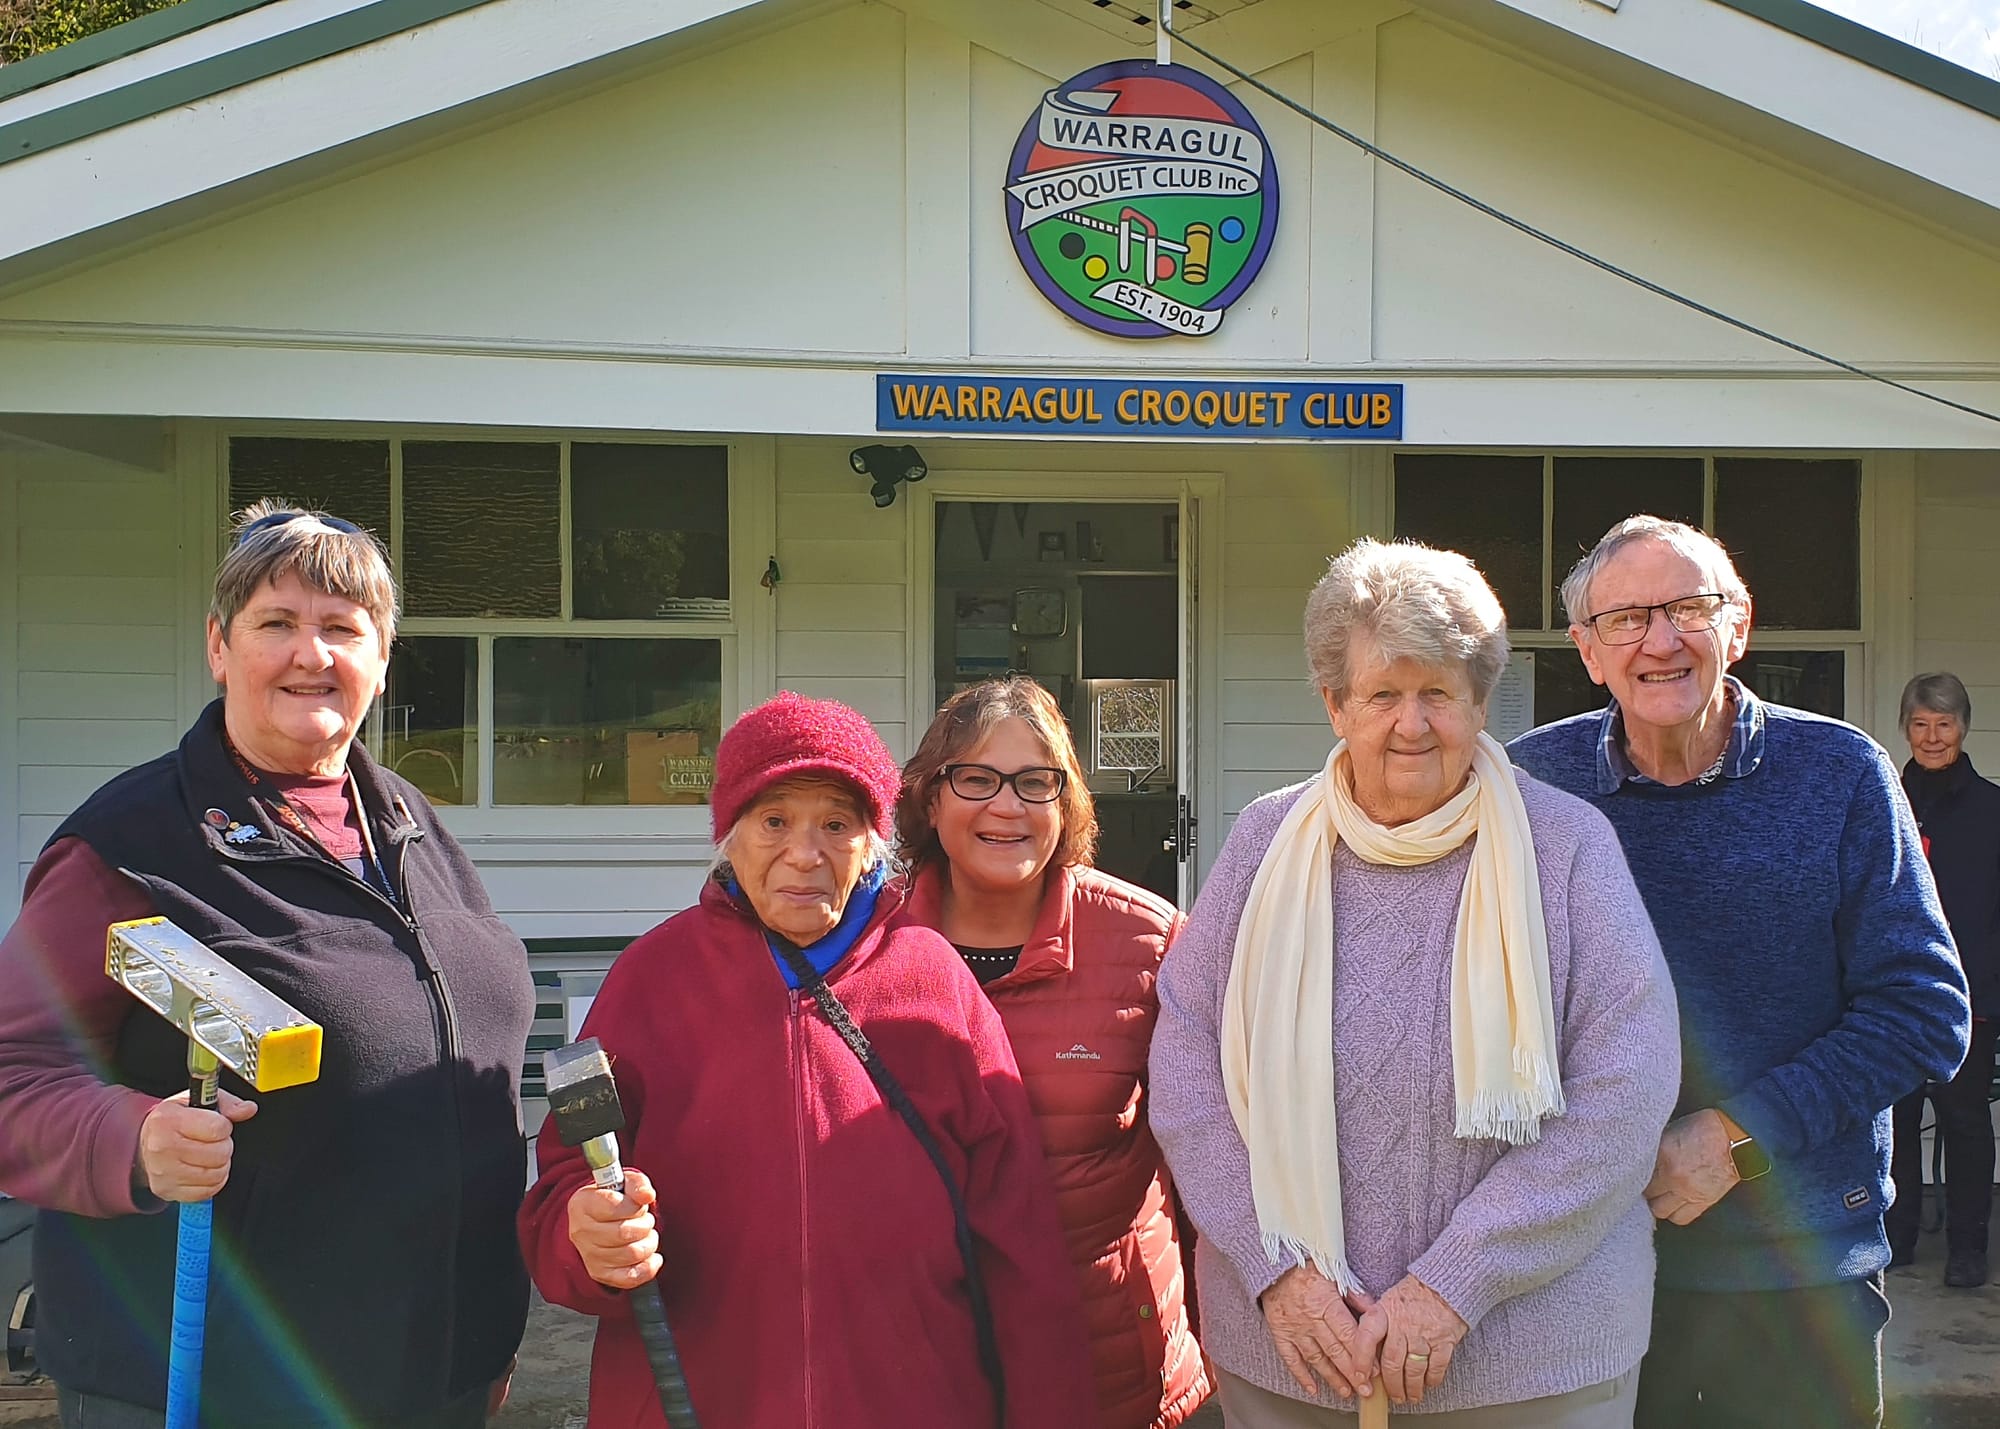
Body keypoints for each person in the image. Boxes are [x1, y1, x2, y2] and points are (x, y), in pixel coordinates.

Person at [0, 502, 536, 1427]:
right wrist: (134, 1139)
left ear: (382, 658)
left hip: (430, 1373)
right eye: (276, 622)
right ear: (220, 645)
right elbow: (13, 1072)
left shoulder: (411, 825)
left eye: (342, 628)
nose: (310, 653)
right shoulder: (130, 845)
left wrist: (478, 1343)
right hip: (219, 1385)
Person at [1151, 538, 1681, 1427]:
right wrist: (1277, 1269)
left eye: (1439, 692)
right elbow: (1186, 1057)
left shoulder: (1567, 845)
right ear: (1335, 704)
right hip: (1293, 1354)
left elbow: (1627, 1088)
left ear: (1479, 703)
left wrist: (1455, 1281)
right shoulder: (1264, 841)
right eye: (1383, 694)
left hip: (1533, 1365)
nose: (1413, 723)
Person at [518, 691, 1098, 1429]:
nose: (804, 852)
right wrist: (587, 1235)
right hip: (693, 1403)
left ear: (872, 843)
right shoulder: (652, 980)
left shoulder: (933, 980)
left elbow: (1020, 1243)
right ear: (729, 835)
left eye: (836, 823)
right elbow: (565, 1182)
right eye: (774, 820)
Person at [1510, 516, 1970, 1428]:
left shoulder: (1840, 773)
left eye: (1690, 607)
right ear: (1588, 650)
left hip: (1799, 1278)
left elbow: (1924, 1011)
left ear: (1739, 625)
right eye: (1627, 618)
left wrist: (1736, 1137)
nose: (1661, 641)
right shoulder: (1532, 782)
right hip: (1587, 1269)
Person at [894, 678, 1211, 1429]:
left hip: (1115, 1372)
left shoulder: (1148, 942)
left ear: (1066, 805)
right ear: (930, 800)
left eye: (1035, 782)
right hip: (922, 1364)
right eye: (975, 778)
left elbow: (1212, 1152)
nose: (1006, 806)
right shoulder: (871, 948)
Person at [1886, 672, 1998, 1288]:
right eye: (1920, 724)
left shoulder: (1992, 810)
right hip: (1891, 996)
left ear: (1963, 728)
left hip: (1970, 997)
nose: (1932, 737)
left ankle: (1968, 1247)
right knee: (1895, 1120)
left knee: (1964, 1121)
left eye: (1944, 724)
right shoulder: (1883, 801)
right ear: (1906, 728)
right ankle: (1896, 1237)